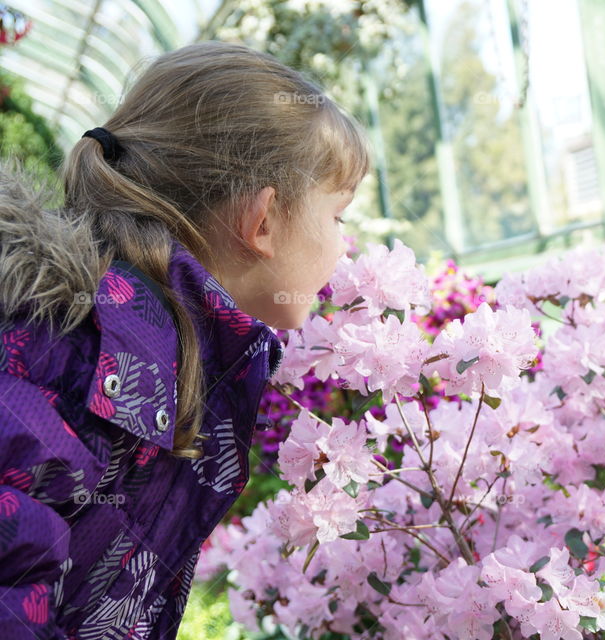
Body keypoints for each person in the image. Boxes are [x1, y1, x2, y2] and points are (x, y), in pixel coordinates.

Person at [0, 40, 370, 638]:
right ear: (264, 222)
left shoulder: (152, 348)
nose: (344, 246)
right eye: (339, 216)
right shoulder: (73, 359)